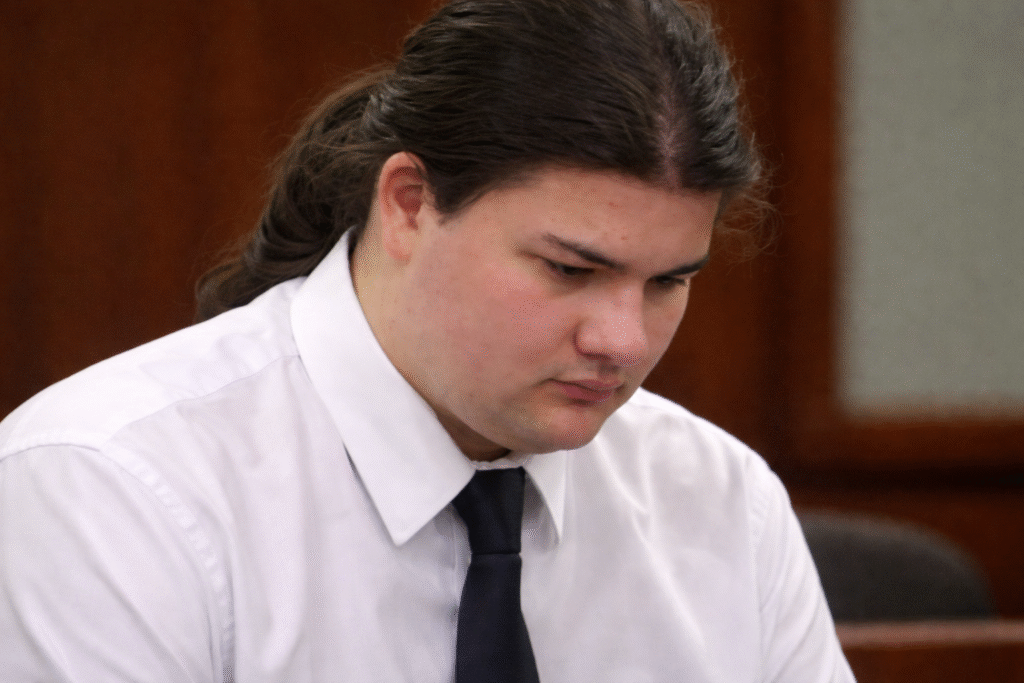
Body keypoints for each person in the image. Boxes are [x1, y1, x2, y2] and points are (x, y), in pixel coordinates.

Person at [0, 0, 854, 680]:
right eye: (567, 270)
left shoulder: (719, 496)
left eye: (668, 281)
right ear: (409, 203)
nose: (623, 340)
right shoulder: (106, 488)